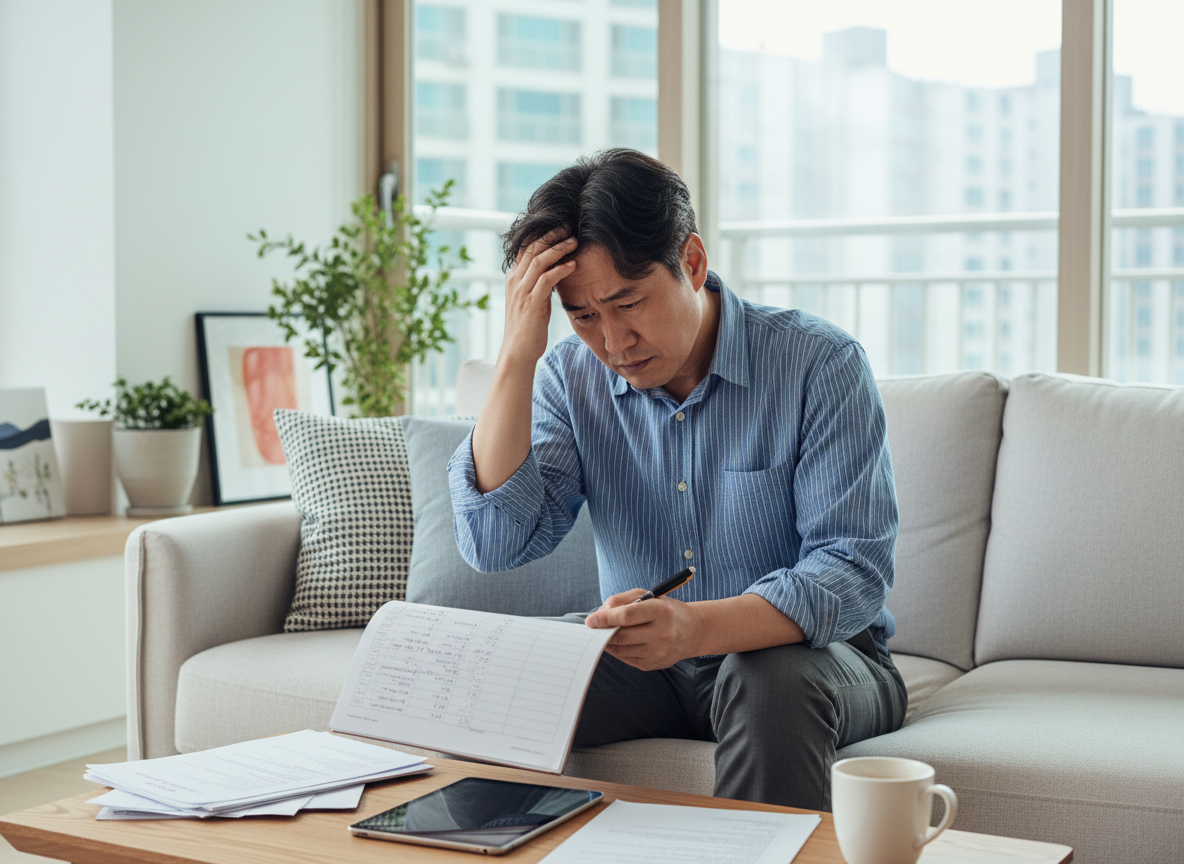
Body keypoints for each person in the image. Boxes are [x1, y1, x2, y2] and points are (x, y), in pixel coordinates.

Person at [446, 148, 907, 811]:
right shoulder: (570, 377)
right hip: (652, 668)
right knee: (505, 677)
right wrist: (520, 350)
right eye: (582, 316)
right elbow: (495, 543)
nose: (613, 341)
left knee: (767, 677)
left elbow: (852, 570)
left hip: (818, 661)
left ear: (692, 262)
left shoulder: (819, 365)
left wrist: (696, 629)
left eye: (627, 302)